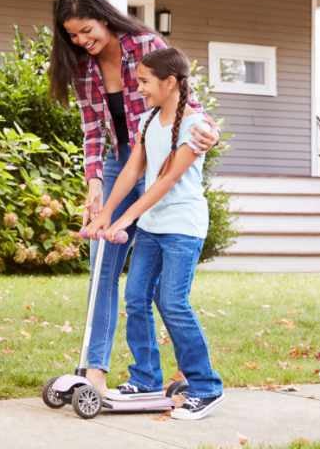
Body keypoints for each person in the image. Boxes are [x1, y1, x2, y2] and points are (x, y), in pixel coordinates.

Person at [48, 0, 219, 393]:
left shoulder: (144, 44)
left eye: (86, 30)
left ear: (104, 18)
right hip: (118, 163)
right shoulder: (81, 67)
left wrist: (206, 128)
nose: (81, 41)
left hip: (158, 155)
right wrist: (94, 184)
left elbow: (178, 93)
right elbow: (92, 128)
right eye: (72, 35)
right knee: (104, 267)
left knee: (162, 289)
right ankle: (95, 370)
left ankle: (187, 374)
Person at [87, 47, 224, 420]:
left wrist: (123, 220)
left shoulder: (195, 126)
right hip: (151, 228)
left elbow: (166, 181)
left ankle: (206, 386)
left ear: (169, 82)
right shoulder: (148, 121)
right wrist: (106, 215)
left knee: (173, 302)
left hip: (182, 227)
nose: (139, 88)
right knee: (135, 298)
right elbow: (132, 172)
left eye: (145, 82)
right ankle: (146, 377)